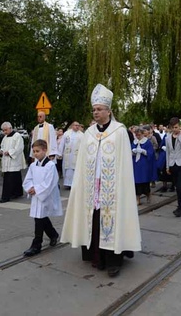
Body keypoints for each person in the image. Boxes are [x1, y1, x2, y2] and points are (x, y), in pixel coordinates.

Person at [61, 84, 141, 278]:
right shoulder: (88, 133)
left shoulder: (120, 131)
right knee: (94, 220)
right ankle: (95, 256)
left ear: (108, 111)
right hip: (91, 187)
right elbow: (83, 162)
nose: (96, 113)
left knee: (112, 220)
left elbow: (123, 164)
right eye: (94, 110)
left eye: (99, 109)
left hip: (112, 188)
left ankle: (113, 261)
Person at [22, 139, 62, 257]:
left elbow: (50, 182)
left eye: (38, 151)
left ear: (45, 150)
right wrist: (30, 188)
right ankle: (53, 234)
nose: (35, 153)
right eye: (34, 151)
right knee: (40, 217)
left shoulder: (50, 166)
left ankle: (36, 245)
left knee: (39, 218)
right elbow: (28, 179)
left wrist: (37, 189)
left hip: (46, 195)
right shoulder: (33, 165)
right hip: (36, 196)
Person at [165, 117, 181, 217]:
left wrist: (179, 136)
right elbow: (168, 152)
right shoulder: (168, 137)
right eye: (173, 127)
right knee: (177, 187)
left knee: (180, 186)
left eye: (176, 127)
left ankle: (180, 208)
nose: (174, 129)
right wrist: (167, 166)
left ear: (180, 126)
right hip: (173, 164)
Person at [0, 122, 27, 203]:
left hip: (14, 160)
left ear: (10, 128)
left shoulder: (17, 136)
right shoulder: (5, 137)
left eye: (6, 130)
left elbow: (19, 148)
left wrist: (10, 152)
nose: (4, 132)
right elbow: (2, 146)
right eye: (3, 130)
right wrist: (1, 151)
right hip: (7, 160)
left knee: (10, 178)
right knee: (15, 177)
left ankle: (6, 196)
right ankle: (17, 192)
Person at [132, 126, 155, 205]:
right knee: (136, 182)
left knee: (145, 182)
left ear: (142, 134)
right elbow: (131, 150)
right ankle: (137, 198)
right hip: (136, 164)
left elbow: (151, 153)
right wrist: (133, 151)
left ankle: (148, 194)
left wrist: (143, 151)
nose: (138, 137)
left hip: (144, 164)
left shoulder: (147, 142)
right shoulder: (134, 142)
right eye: (136, 135)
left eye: (139, 135)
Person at [60, 122, 84, 189]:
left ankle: (75, 184)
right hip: (68, 155)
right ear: (72, 126)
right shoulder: (67, 133)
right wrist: (60, 153)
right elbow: (62, 143)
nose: (77, 127)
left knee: (75, 169)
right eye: (75, 125)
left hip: (76, 155)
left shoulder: (82, 135)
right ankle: (67, 184)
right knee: (67, 169)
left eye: (78, 125)